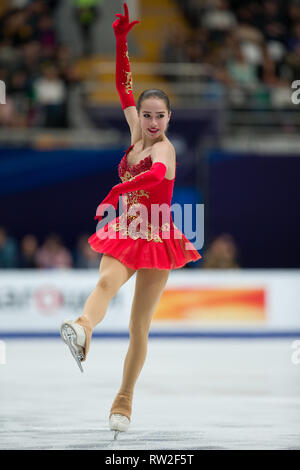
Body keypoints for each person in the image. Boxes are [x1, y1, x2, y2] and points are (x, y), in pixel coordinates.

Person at [60, 2, 202, 439]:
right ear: (140, 117)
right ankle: (82, 329)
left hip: (157, 234)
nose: (154, 121)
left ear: (169, 119)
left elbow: (157, 177)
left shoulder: (165, 150)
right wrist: (121, 41)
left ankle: (124, 399)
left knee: (138, 327)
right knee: (103, 284)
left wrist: (116, 192)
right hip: (126, 231)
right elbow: (125, 88)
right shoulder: (137, 136)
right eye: (147, 114)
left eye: (161, 116)